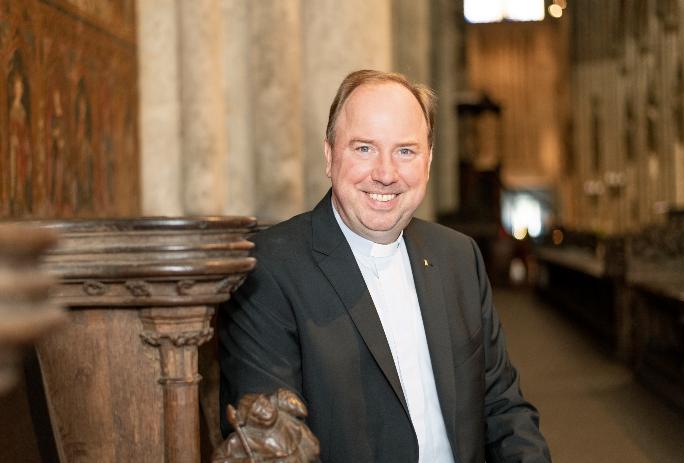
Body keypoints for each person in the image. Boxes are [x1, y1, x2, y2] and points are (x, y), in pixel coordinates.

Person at [219, 69, 551, 463]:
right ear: (329, 155)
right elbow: (272, 447)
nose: (386, 174)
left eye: (405, 151)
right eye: (364, 148)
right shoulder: (269, 269)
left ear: (428, 163)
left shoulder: (459, 257)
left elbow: (503, 409)